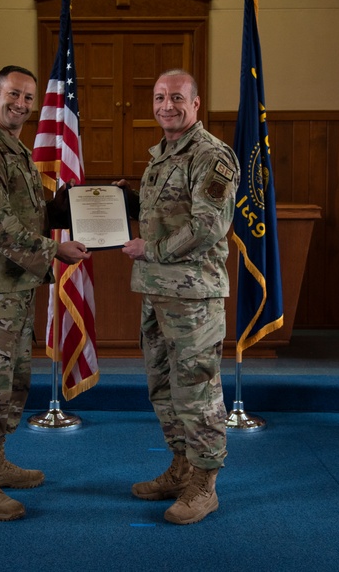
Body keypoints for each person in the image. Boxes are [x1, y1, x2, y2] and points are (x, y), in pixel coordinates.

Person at [0, 65, 90, 521]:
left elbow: (28, 214)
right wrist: (55, 250)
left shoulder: (13, 148)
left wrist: (92, 205)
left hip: (15, 286)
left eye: (29, 98)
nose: (22, 104)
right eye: (14, 94)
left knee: (13, 383)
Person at [116, 69, 240, 525]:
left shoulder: (211, 156)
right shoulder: (163, 154)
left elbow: (208, 227)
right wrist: (112, 201)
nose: (166, 105)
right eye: (159, 97)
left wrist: (153, 249)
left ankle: (205, 486)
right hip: (156, 291)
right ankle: (181, 467)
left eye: (176, 98)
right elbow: (161, 212)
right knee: (163, 388)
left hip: (193, 297)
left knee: (198, 390)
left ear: (196, 104)